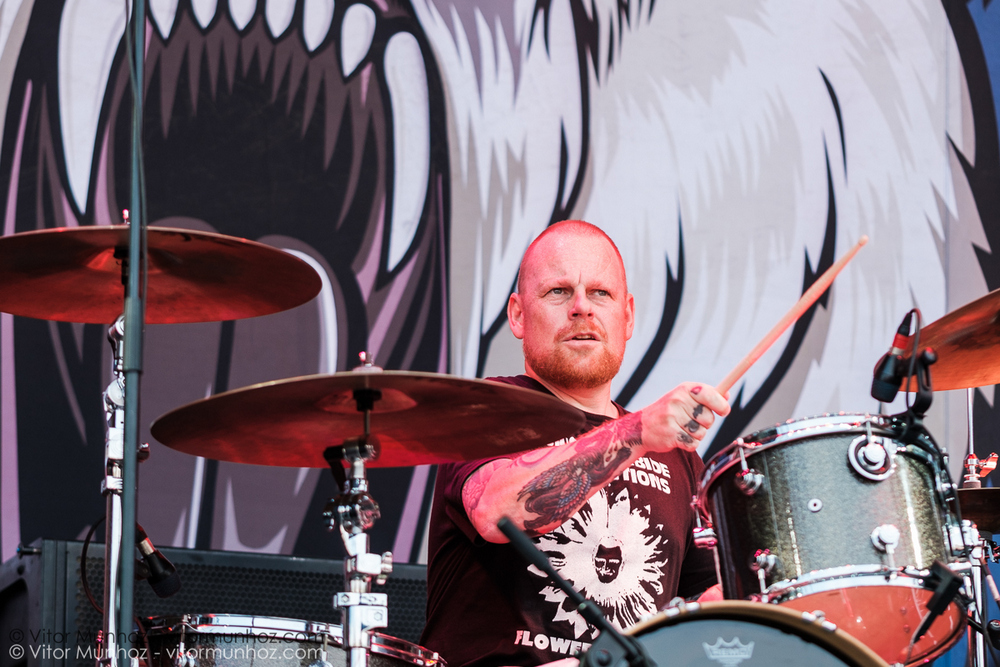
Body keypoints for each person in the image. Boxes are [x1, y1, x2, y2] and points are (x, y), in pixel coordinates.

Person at [419, 220, 730, 667]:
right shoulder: (489, 410)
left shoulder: (678, 458)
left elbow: (705, 613)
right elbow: (498, 513)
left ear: (627, 317)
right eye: (559, 292)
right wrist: (637, 432)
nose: (582, 308)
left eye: (600, 294)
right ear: (518, 315)